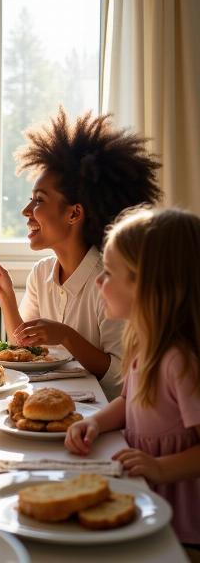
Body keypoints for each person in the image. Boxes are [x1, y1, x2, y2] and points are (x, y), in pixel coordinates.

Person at [0, 109, 161, 399]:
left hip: (100, 413)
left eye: (39, 201)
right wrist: (6, 297)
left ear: (74, 213)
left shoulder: (109, 281)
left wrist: (66, 336)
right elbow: (25, 349)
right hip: (52, 398)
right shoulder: (42, 273)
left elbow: (120, 376)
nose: (27, 212)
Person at [65, 207, 200, 547]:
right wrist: (95, 423)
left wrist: (160, 469)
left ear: (149, 284)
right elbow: (128, 402)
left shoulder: (179, 362)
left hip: (183, 523)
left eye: (109, 273)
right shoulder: (144, 344)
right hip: (144, 499)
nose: (99, 281)